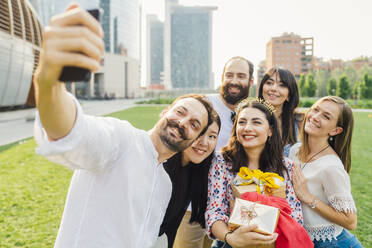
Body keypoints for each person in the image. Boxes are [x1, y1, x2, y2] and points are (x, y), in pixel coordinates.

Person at [33, 4, 214, 248]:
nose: (183, 123)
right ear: (164, 112)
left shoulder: (164, 185)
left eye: (194, 124)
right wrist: (49, 82)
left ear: (194, 140)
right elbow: (70, 131)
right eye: (180, 112)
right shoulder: (121, 140)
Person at [172, 56, 254, 248]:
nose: (234, 81)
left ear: (250, 81)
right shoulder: (202, 105)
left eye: (240, 76)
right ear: (222, 77)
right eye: (229, 75)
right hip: (191, 204)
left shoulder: (249, 114)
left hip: (225, 208)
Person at [206, 98, 303, 248]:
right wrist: (231, 238)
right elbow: (215, 211)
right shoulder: (222, 162)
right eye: (242, 122)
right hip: (229, 242)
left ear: (270, 130)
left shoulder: (286, 166)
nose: (247, 128)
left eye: (256, 122)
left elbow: (295, 216)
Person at [289, 96, 362, 247]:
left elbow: (351, 221)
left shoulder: (331, 167)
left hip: (331, 243)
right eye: (315, 109)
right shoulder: (295, 150)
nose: (315, 117)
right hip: (303, 238)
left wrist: (308, 197)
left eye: (326, 116)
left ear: (335, 130)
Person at [158, 112, 221, 248]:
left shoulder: (195, 171)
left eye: (212, 136)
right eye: (199, 133)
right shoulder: (162, 168)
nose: (204, 143)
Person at [258, 67, 302, 157]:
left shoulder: (300, 122)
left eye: (282, 85)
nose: (274, 88)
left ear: (289, 95)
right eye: (269, 83)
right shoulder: (248, 117)